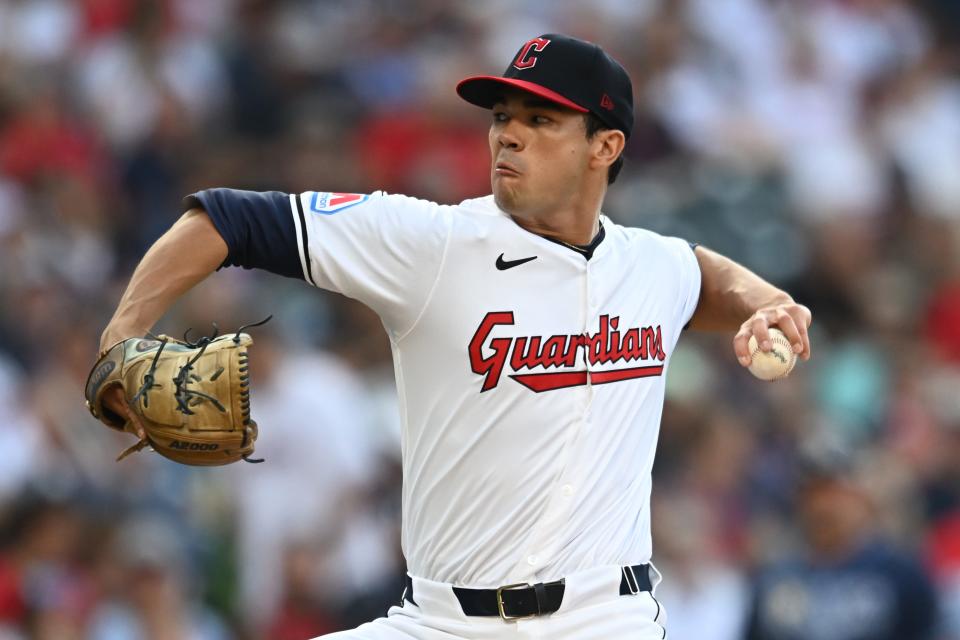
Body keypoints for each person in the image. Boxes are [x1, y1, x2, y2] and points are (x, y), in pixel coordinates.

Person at [96, 34, 812, 639]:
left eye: (542, 119)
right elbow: (224, 219)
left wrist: (766, 301)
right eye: (503, 115)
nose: (509, 133)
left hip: (604, 619)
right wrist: (121, 335)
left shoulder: (650, 264)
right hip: (440, 622)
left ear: (607, 146)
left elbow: (702, 275)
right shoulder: (432, 243)